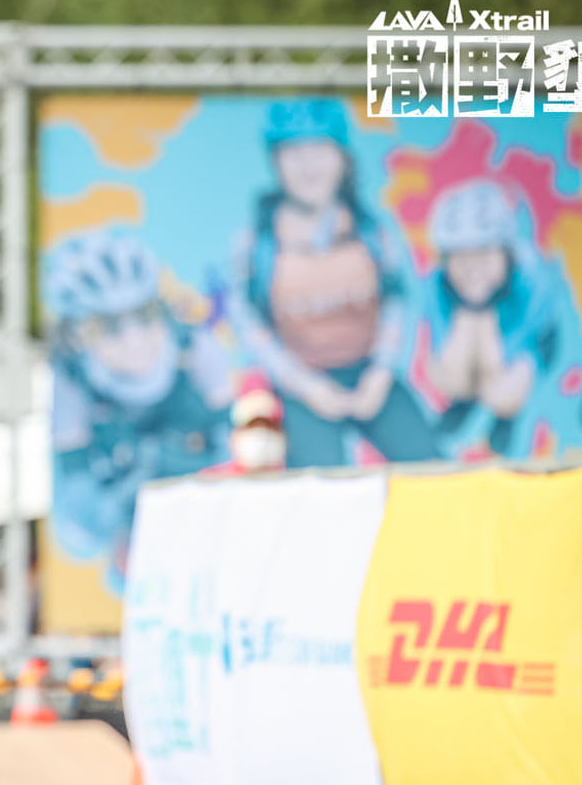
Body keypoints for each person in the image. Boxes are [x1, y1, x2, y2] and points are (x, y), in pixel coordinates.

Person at [231, 99, 437, 467]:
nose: (309, 167)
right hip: (301, 384)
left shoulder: (370, 229)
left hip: (372, 375)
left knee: (432, 469)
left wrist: (380, 374)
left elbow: (395, 302)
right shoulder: (256, 242)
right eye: (294, 153)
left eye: (320, 150)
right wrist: (307, 387)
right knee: (317, 489)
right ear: (275, 162)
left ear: (343, 158)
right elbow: (250, 323)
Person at [44, 228, 232, 581]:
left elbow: (237, 451)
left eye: (145, 314)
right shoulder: (72, 378)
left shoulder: (196, 348)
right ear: (78, 334)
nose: (134, 339)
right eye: (109, 326)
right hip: (131, 523)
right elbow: (76, 517)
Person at [425, 179, 557, 459]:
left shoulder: (531, 279)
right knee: (457, 373)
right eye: (460, 258)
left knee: (504, 391)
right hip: (472, 330)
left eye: (483, 255)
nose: (472, 270)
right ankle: (465, 402)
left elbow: (525, 342)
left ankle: (506, 419)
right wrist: (471, 312)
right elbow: (440, 349)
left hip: (530, 340)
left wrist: (505, 380)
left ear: (505, 253)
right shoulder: (438, 285)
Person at [204, 388, 288, 476]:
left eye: (270, 427)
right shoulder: (211, 482)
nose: (261, 436)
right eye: (252, 427)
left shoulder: (296, 484)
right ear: (234, 437)